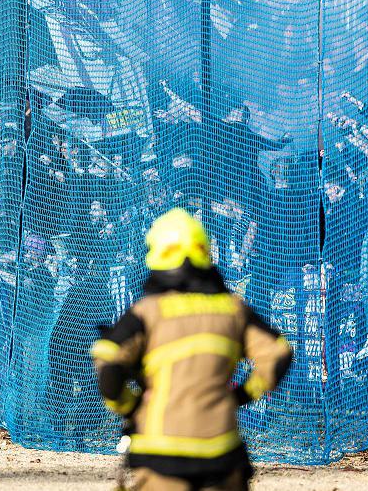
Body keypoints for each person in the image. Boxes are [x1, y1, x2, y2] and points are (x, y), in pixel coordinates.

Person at [92, 208, 293, 491]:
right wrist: (242, 395)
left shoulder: (147, 312)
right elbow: (280, 353)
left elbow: (109, 366)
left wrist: (132, 406)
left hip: (161, 453)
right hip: (221, 453)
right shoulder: (233, 309)